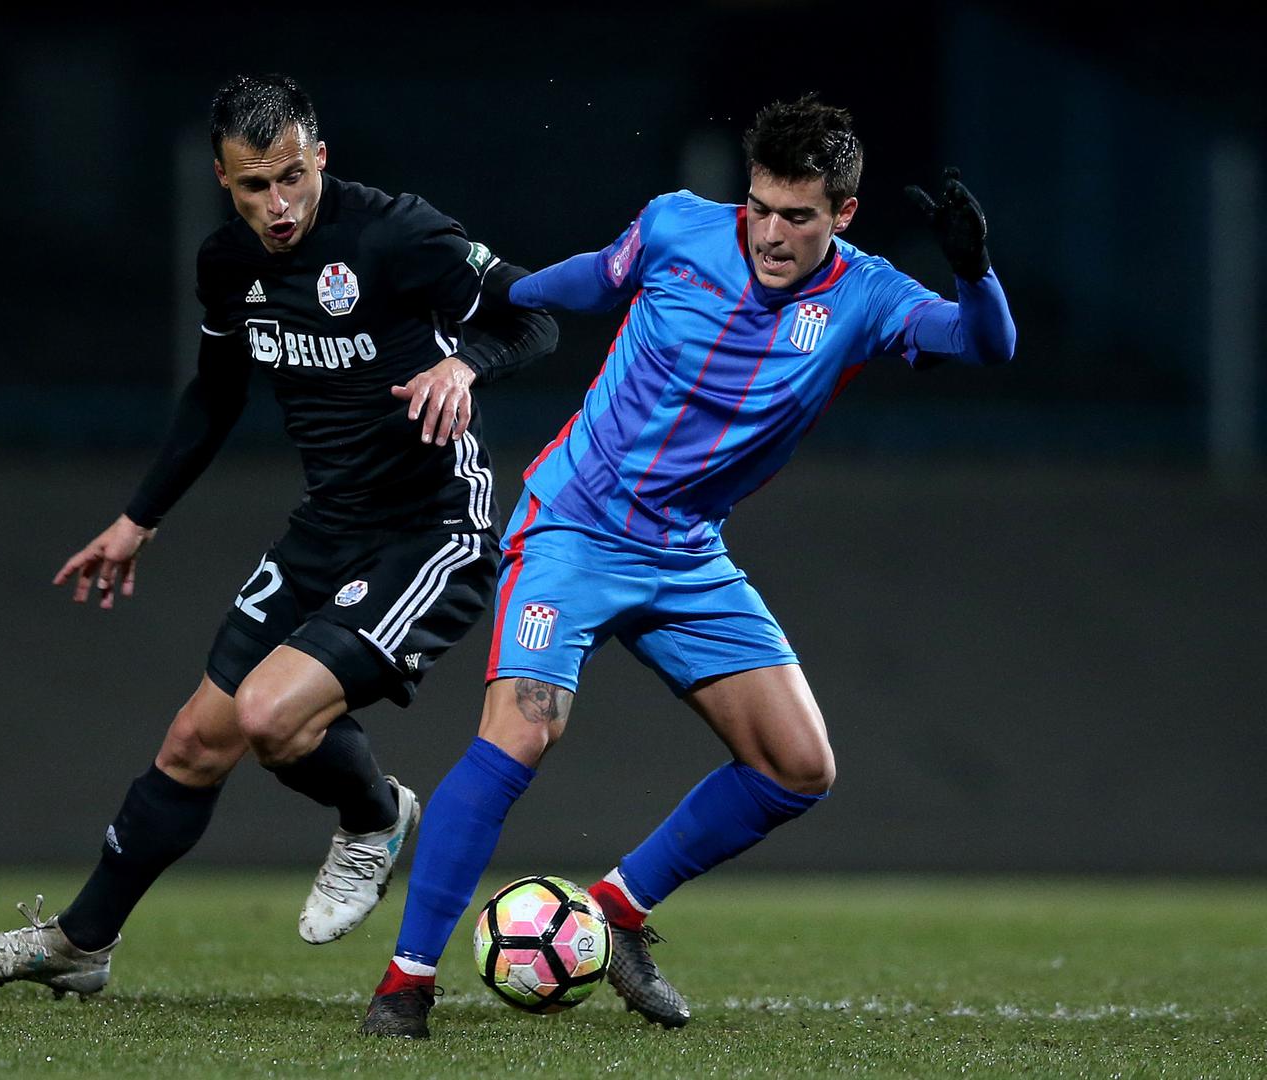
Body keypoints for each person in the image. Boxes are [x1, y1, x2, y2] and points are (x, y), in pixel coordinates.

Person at [360, 95, 1016, 1037]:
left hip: (686, 554)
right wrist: (485, 316)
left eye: (799, 216)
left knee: (798, 767)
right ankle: (405, 983)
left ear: (843, 214)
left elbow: (988, 344)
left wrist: (974, 270)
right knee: (523, 733)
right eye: (761, 207)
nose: (772, 233)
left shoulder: (868, 296)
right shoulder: (677, 227)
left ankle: (617, 914)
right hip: (574, 528)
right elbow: (591, 280)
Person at [0, 73, 556, 998]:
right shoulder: (228, 262)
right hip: (326, 527)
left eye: (293, 176)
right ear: (223, 179)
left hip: (430, 527)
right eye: (255, 185)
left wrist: (464, 365)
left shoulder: (396, 232)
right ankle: (80, 945)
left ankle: (375, 816)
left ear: (321, 158)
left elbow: (533, 316)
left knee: (269, 715)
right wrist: (138, 519)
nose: (279, 204)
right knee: (195, 740)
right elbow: (216, 392)